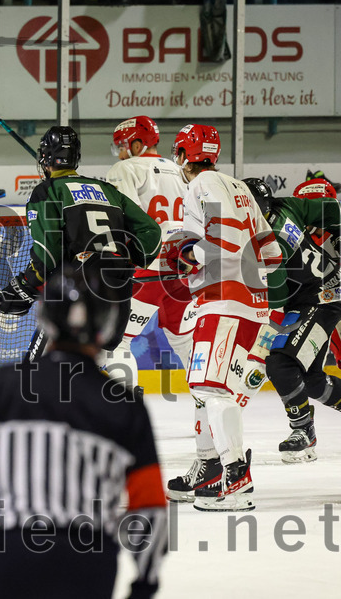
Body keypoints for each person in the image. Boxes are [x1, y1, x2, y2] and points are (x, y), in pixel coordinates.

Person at [0, 264, 168, 599]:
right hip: (88, 563)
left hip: (5, 554)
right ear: (107, 323)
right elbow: (149, 509)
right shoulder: (125, 404)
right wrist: (145, 584)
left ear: (45, 317)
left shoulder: (4, 386)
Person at [163, 124, 282, 511]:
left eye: (178, 152)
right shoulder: (239, 186)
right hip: (253, 303)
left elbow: (224, 241)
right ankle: (215, 471)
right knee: (211, 390)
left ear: (184, 155)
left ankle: (237, 479)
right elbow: (273, 252)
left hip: (223, 302)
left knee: (209, 389)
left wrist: (189, 258)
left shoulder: (202, 185)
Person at [0, 125, 162, 358]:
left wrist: (27, 284)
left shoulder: (48, 191)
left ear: (46, 158)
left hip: (76, 290)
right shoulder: (108, 190)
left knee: (41, 370)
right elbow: (152, 231)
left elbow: (48, 253)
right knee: (103, 359)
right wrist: (124, 259)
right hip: (118, 285)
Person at [241, 177, 341, 463]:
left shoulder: (265, 239)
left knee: (280, 362)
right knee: (312, 382)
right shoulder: (286, 206)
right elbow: (332, 209)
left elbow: (278, 298)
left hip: (319, 299)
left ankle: (303, 431)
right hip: (324, 291)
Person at [102, 116, 194, 389]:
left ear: (138, 143)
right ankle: (209, 422)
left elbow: (122, 219)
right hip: (184, 268)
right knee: (187, 344)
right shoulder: (180, 170)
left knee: (117, 341)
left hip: (147, 268)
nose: (119, 152)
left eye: (122, 145)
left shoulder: (124, 168)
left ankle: (128, 409)